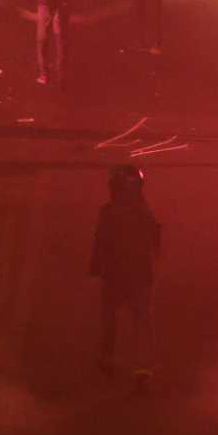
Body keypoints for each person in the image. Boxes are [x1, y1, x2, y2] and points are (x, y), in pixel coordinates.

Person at [88, 163, 162, 383]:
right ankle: (143, 366)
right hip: (139, 274)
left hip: (115, 274)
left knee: (111, 317)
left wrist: (95, 268)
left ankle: (106, 358)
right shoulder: (144, 212)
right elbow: (155, 243)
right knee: (141, 320)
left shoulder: (109, 212)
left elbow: (100, 242)